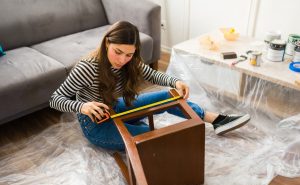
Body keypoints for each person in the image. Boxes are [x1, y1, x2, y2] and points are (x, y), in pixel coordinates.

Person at [49, 21, 250, 151]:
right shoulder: (87, 67)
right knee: (153, 139)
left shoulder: (129, 61)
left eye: (129, 55)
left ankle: (217, 120)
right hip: (96, 124)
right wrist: (82, 106)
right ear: (106, 44)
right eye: (118, 52)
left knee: (169, 95)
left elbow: (152, 74)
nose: (122, 60)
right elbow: (55, 99)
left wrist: (175, 81)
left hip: (116, 107)